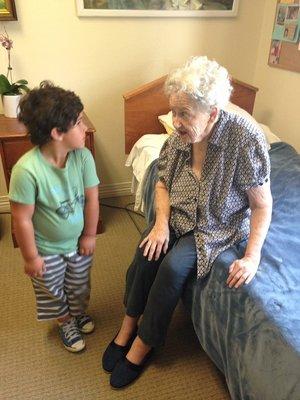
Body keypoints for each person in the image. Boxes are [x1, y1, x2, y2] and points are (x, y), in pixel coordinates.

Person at [102, 56, 272, 388]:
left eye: (184, 114)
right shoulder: (176, 138)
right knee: (146, 252)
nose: (176, 122)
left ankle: (144, 342)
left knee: (172, 268)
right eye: (173, 112)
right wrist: (160, 223)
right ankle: (127, 325)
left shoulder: (245, 139)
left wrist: (252, 257)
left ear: (212, 112)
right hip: (177, 214)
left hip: (216, 223)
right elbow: (162, 183)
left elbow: (262, 205)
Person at [9, 82, 100, 353]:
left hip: (78, 244)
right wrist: (30, 257)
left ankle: (77, 311)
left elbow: (93, 198)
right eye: (79, 123)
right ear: (57, 133)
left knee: (79, 284)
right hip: (45, 249)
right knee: (53, 289)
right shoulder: (26, 170)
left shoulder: (83, 157)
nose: (85, 129)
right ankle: (65, 320)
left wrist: (89, 234)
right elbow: (21, 219)